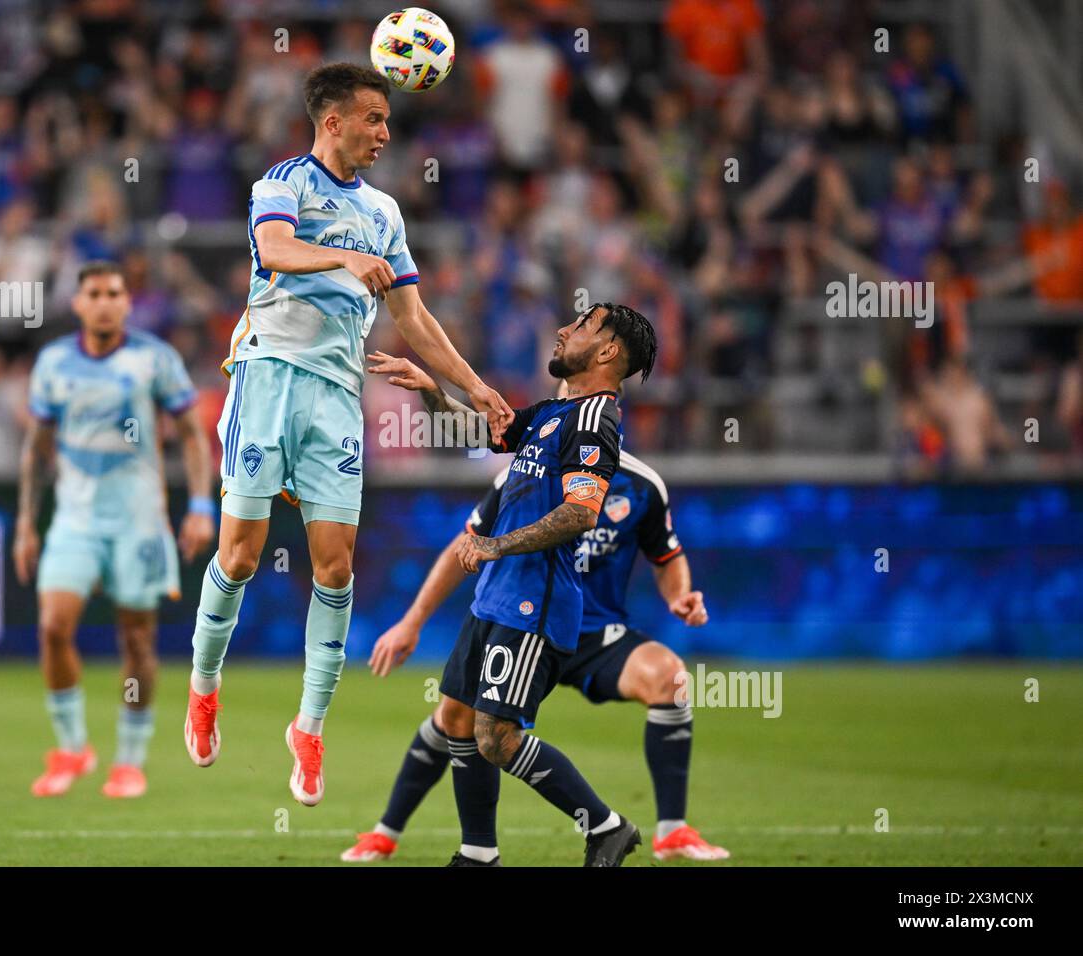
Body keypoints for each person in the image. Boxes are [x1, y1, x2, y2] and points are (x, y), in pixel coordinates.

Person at [182, 63, 511, 808]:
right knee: (239, 553)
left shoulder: (387, 214)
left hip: (336, 395)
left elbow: (414, 320)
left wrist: (474, 387)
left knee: (334, 570)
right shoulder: (282, 183)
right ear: (333, 121)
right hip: (268, 375)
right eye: (374, 120)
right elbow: (274, 252)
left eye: (389, 122)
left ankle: (309, 727)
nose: (385, 135)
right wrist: (344, 257)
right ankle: (204, 689)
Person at [343, 432, 728, 863]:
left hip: (596, 636)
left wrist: (680, 595)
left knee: (669, 679)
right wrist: (412, 621)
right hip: (526, 625)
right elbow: (467, 542)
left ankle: (668, 831)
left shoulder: (642, 485)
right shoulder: (526, 471)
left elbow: (666, 553)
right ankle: (389, 833)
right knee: (456, 715)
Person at [365, 302, 656, 866]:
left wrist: (496, 543)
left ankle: (606, 826)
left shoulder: (596, 419)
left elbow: (582, 511)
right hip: (496, 594)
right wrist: (429, 388)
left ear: (607, 351)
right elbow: (478, 433)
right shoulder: (555, 412)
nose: (563, 329)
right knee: (453, 719)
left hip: (534, 601)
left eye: (582, 325)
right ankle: (479, 853)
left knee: (496, 737)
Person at [14, 261, 215, 799]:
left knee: (137, 638)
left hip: (138, 523)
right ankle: (73, 747)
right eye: (94, 293)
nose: (105, 301)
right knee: (55, 626)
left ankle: (129, 760)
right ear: (78, 304)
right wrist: (25, 524)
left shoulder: (154, 358)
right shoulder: (54, 363)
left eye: (114, 293)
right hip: (74, 519)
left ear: (128, 303)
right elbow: (35, 448)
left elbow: (194, 434)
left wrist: (200, 506)